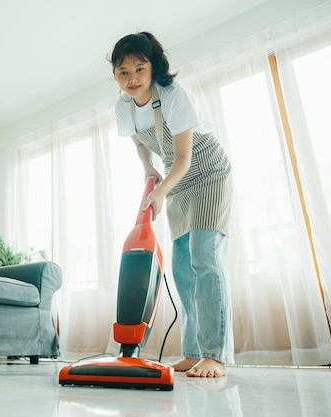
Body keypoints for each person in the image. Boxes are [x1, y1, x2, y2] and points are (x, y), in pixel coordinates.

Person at [110, 31, 234, 378]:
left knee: (204, 256)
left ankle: (214, 354)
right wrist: (148, 169)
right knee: (181, 268)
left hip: (207, 172)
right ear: (115, 76)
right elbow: (139, 143)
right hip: (174, 181)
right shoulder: (123, 107)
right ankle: (193, 352)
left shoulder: (174, 95)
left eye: (139, 68)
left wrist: (160, 190)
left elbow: (182, 158)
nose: (132, 79)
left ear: (153, 68)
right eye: (123, 72)